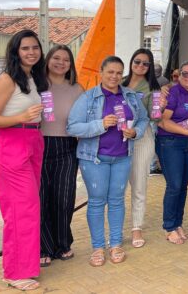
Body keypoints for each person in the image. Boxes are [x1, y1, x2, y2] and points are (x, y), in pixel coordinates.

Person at [67, 56, 149, 267]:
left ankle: (115, 244)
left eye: (118, 73)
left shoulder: (130, 95)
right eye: (110, 72)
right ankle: (97, 247)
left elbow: (143, 118)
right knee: (96, 201)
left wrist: (135, 132)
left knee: (117, 200)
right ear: (101, 73)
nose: (114, 76)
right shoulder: (88, 97)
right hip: (94, 159)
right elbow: (73, 127)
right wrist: (100, 124)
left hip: (122, 157)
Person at [0, 29, 47, 291]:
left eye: (35, 47)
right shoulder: (7, 79)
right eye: (25, 48)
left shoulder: (33, 77)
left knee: (29, 208)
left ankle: (25, 265)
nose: (31, 52)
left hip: (32, 141)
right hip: (11, 144)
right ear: (15, 51)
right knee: (20, 209)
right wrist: (20, 117)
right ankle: (14, 272)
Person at [39, 45, 83, 267]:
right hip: (39, 144)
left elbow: (85, 117)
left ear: (71, 64)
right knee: (41, 198)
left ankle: (63, 244)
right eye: (56, 58)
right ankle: (43, 247)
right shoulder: (36, 84)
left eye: (66, 59)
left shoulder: (77, 88)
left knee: (64, 198)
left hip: (67, 145)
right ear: (48, 60)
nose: (61, 63)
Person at [156, 60, 188, 244]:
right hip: (171, 143)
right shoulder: (173, 92)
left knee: (183, 186)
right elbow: (162, 121)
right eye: (185, 74)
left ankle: (178, 223)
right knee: (174, 186)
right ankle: (169, 226)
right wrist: (185, 132)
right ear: (178, 75)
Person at [122, 48, 161, 249]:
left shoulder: (153, 88)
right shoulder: (119, 82)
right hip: (118, 138)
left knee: (138, 185)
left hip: (142, 138)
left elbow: (155, 117)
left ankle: (136, 227)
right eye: (137, 61)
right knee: (117, 188)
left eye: (146, 63)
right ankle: (116, 229)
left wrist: (160, 106)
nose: (140, 66)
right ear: (131, 62)